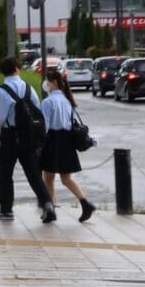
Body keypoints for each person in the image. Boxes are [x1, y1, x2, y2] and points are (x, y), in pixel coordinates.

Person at [0, 57, 56, 223]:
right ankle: (48, 204)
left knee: (6, 174)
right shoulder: (28, 88)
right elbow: (37, 109)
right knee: (34, 174)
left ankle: (6, 210)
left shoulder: (1, 91)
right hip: (29, 137)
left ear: (3, 71)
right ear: (17, 69)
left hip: (9, 137)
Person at [40, 68, 96, 222]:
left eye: (47, 80)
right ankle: (85, 202)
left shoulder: (48, 102)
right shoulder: (67, 101)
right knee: (66, 178)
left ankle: (50, 209)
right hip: (67, 141)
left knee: (49, 178)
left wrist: (39, 145)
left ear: (54, 82)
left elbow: (44, 127)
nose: (45, 83)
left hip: (53, 140)